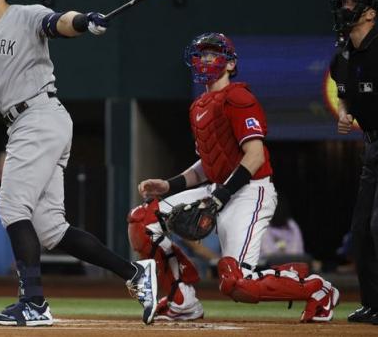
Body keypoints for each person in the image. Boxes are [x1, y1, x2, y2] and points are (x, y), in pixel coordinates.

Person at [0, 0, 158, 327]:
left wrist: (84, 20)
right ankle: (137, 274)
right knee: (50, 230)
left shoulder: (25, 14)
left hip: (39, 115)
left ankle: (33, 303)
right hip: (29, 124)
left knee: (12, 207)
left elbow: (59, 23)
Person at [133, 32, 340, 323]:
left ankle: (318, 290)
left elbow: (254, 156)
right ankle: (182, 300)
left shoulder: (238, 96)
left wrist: (221, 196)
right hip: (221, 188)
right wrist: (170, 185)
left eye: (213, 54)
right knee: (143, 219)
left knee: (237, 284)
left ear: (230, 64)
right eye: (201, 54)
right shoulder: (200, 106)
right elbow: (209, 165)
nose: (205, 59)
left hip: (250, 191)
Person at [329, 0, 378, 325]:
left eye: (352, 3)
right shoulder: (342, 57)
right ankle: (372, 303)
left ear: (371, 12)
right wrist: (347, 112)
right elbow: (347, 93)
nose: (345, 8)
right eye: (342, 3)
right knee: (360, 229)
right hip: (373, 145)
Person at [259, 193, 305, 261]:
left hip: (290, 265)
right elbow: (268, 253)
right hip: (267, 266)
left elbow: (297, 253)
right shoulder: (263, 225)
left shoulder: (292, 226)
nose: (279, 212)